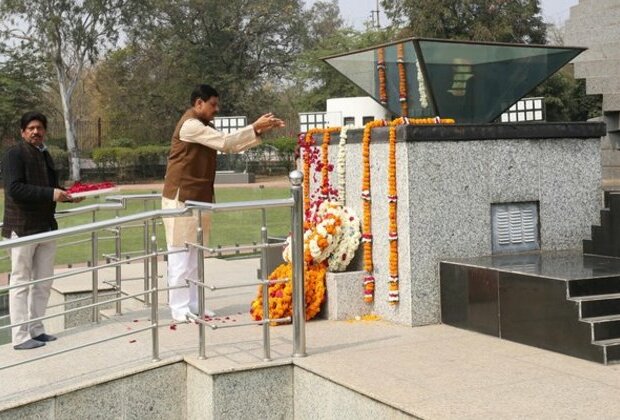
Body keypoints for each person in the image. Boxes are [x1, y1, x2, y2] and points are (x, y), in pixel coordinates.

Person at [162, 84, 284, 322]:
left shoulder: (204, 125)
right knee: (179, 256)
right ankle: (179, 308)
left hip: (198, 197)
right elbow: (226, 142)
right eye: (213, 104)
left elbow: (229, 145)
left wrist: (258, 132)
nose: (216, 109)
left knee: (195, 256)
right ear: (199, 103)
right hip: (181, 198)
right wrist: (254, 127)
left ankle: (195, 305)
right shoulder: (190, 125)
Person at [2, 112, 80, 350]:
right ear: (22, 131)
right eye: (31, 128)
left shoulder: (44, 154)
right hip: (22, 227)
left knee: (44, 281)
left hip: (45, 226)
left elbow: (50, 188)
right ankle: (20, 337)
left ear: (45, 131)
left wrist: (65, 195)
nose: (36, 132)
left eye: (40, 128)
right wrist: (50, 194)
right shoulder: (14, 155)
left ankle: (36, 330)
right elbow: (15, 189)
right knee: (20, 282)